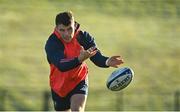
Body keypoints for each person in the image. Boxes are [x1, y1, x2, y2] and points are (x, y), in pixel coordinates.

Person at [45, 11, 124, 111]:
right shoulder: (52, 43)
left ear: (74, 25)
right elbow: (61, 65)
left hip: (79, 80)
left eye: (70, 29)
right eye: (62, 30)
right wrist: (79, 59)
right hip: (59, 86)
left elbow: (96, 56)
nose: (67, 34)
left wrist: (107, 61)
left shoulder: (83, 37)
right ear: (56, 28)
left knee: (77, 109)